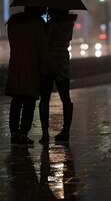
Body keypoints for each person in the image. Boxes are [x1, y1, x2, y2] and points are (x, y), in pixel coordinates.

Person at [5, 6, 46, 145]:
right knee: (29, 101)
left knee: (16, 100)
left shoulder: (14, 22)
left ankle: (14, 133)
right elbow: (42, 47)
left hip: (16, 64)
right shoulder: (38, 24)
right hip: (31, 66)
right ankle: (23, 133)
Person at [38, 8, 77, 143]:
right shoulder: (69, 25)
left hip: (50, 62)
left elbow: (46, 43)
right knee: (65, 97)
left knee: (45, 98)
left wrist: (47, 25)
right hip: (63, 62)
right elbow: (67, 42)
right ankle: (65, 131)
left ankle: (45, 133)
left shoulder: (53, 24)